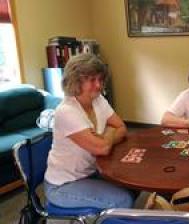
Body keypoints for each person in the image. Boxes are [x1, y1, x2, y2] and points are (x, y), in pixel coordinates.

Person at [44, 54, 134, 209]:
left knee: (133, 185)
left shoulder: (98, 100)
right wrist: (108, 134)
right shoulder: (67, 111)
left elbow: (121, 128)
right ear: (75, 81)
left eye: (100, 79)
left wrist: (105, 136)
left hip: (91, 173)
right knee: (123, 201)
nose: (98, 85)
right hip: (64, 185)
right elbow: (102, 148)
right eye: (92, 80)